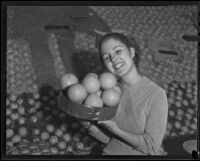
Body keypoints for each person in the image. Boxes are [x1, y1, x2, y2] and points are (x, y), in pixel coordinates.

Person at [83, 32, 169, 155]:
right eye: (107, 57)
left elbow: (151, 147)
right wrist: (89, 126)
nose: (114, 59)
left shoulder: (155, 94)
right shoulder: (109, 92)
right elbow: (111, 141)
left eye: (118, 51)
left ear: (132, 52)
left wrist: (116, 130)